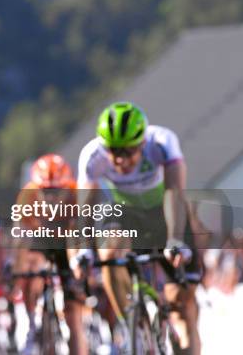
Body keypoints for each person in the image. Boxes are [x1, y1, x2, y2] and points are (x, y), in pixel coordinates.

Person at [71, 102, 201, 354]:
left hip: (165, 212)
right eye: (113, 150)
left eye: (129, 151)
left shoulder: (162, 142)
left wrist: (174, 239)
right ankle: (131, 325)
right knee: (108, 254)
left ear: (142, 142)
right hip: (125, 212)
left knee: (182, 307)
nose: (120, 159)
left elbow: (175, 192)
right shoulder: (92, 155)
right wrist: (83, 250)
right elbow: (84, 211)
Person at [11, 154, 88, 355]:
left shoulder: (76, 194)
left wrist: (76, 270)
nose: (52, 197)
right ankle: (31, 319)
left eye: (57, 191)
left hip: (69, 241)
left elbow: (78, 237)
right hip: (42, 239)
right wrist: (17, 275)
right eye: (46, 191)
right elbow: (21, 239)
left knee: (73, 316)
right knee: (32, 265)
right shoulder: (28, 195)